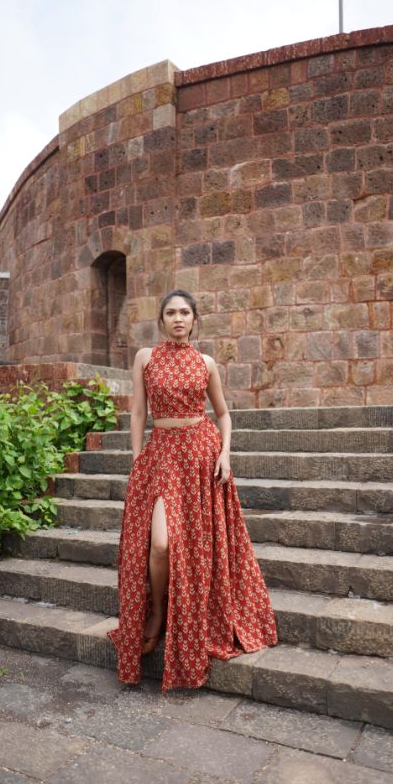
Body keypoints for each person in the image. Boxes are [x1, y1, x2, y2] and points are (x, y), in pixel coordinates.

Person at [107, 289, 278, 691]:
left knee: (189, 544)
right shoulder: (145, 358)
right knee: (161, 545)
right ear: (161, 320)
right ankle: (157, 612)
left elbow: (223, 414)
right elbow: (138, 413)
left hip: (201, 455)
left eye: (185, 312)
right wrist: (138, 460)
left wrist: (226, 454)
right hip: (163, 456)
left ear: (194, 320)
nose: (178, 318)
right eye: (171, 312)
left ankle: (177, 613)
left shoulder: (206, 363)